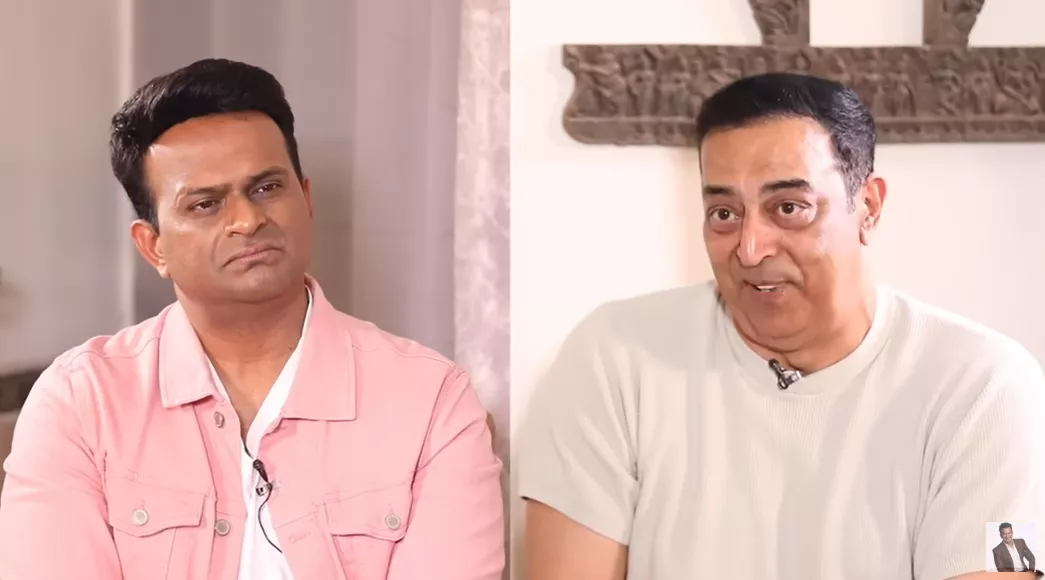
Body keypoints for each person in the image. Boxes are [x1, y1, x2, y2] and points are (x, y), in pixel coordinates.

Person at [517, 72, 1045, 580]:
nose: (750, 249)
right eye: (724, 214)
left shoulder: (986, 387)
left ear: (868, 206)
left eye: (789, 207)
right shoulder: (615, 358)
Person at [0, 58, 504, 580]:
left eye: (266, 188)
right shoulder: (81, 404)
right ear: (153, 247)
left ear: (305, 200)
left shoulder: (431, 402)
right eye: (205, 204)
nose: (247, 220)